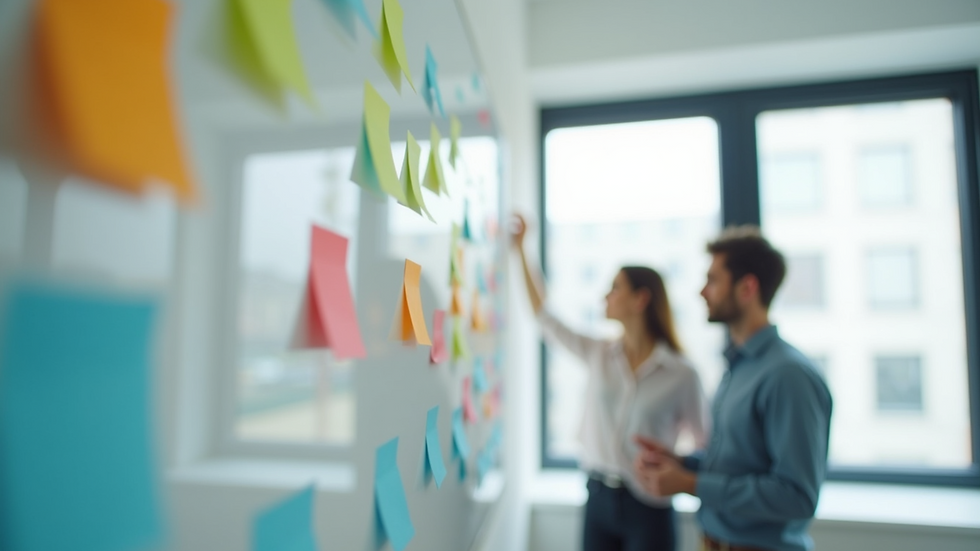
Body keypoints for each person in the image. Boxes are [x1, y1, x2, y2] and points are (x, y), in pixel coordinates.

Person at [510, 214, 709, 551]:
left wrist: (675, 466)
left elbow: (706, 443)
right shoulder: (599, 353)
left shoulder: (682, 374)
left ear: (640, 299)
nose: (605, 296)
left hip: (649, 506)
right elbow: (544, 317)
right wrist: (520, 249)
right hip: (598, 496)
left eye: (615, 288)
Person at [633, 225, 833, 551]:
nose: (702, 292)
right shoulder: (738, 367)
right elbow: (740, 464)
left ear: (747, 288)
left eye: (712, 280)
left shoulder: (788, 375)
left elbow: (797, 496)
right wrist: (683, 463)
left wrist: (691, 484)